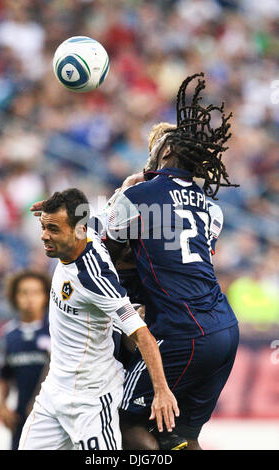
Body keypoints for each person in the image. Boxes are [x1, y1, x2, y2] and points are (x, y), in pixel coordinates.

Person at [104, 73, 240, 450]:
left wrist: (120, 195)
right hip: (226, 329)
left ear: (164, 153)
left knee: (120, 422)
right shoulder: (212, 209)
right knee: (179, 434)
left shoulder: (137, 195)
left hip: (182, 331)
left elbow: (106, 253)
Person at [21, 188, 178, 450]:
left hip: (91, 401)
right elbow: (123, 194)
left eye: (53, 229)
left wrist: (161, 391)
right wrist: (144, 174)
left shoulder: (95, 280)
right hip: (53, 393)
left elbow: (142, 335)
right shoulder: (91, 228)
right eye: (44, 227)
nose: (44, 236)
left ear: (77, 231)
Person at [0, 270, 51, 450]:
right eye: (24, 293)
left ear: (45, 296)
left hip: (51, 414)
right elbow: (4, 374)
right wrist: (3, 405)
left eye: (36, 292)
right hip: (21, 415)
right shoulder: (9, 335)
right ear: (15, 296)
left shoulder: (55, 331)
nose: (30, 298)